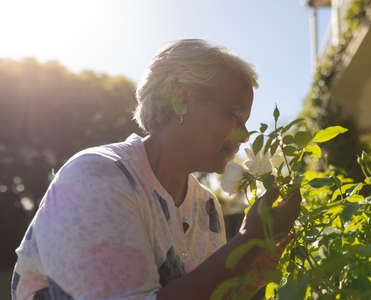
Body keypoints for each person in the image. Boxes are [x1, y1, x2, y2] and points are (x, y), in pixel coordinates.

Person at [12, 39, 300, 300]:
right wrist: (245, 242)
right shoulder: (99, 176)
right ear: (180, 98)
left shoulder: (206, 206)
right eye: (236, 116)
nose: (246, 135)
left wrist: (245, 282)